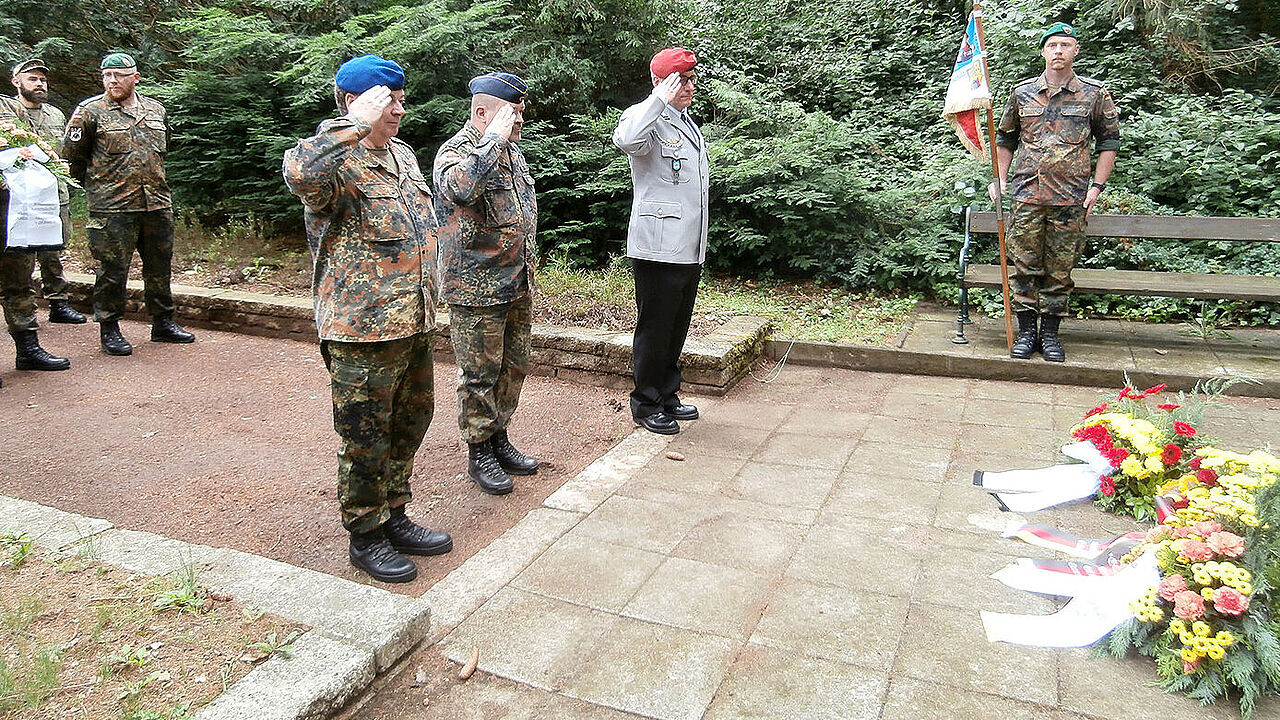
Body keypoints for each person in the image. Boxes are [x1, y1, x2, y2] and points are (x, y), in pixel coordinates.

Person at [283, 55, 452, 584]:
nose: (400, 109)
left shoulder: (401, 154)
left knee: (411, 419)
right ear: (354, 102)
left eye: (401, 99)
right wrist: (354, 124)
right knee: (364, 435)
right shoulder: (331, 160)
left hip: (414, 318)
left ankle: (394, 513)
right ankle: (365, 534)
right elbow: (298, 172)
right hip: (362, 328)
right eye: (389, 100)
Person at [433, 72, 540, 496]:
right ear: (482, 112)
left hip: (516, 283)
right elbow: (460, 189)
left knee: (514, 367)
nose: (518, 122)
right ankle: (479, 449)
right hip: (476, 288)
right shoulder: (456, 153)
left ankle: (499, 437)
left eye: (519, 114)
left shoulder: (513, 153)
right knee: (480, 373)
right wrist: (492, 141)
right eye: (511, 114)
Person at [988, 22, 1120, 363]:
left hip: (1070, 199)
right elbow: (1005, 139)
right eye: (1052, 45)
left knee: (1060, 272)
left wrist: (1097, 188)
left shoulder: (1094, 94)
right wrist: (999, 180)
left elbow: (1109, 143)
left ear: (1075, 51)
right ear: (1043, 51)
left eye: (1065, 45)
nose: (1058, 51)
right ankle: (1026, 332)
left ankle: (1050, 335)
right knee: (1025, 266)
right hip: (1027, 196)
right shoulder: (1022, 93)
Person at [61, 52, 195, 356]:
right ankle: (110, 328)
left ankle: (163, 322)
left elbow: (162, 151)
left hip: (156, 203)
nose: (112, 81)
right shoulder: (90, 112)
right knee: (112, 270)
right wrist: (98, 190)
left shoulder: (155, 110)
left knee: (159, 267)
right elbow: (72, 158)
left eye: (119, 75)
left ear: (135, 77)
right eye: (107, 76)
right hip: (112, 207)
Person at [613, 47, 709, 435]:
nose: (687, 87)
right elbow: (627, 137)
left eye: (690, 80)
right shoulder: (647, 119)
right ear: (659, 82)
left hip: (686, 245)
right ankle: (646, 402)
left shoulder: (687, 123)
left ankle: (667, 394)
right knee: (655, 328)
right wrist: (659, 98)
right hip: (657, 246)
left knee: (676, 326)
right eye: (679, 80)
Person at [1, 59, 87, 325]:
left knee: (53, 250)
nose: (39, 84)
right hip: (17, 196)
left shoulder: (56, 115)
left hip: (52, 194)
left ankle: (58, 302)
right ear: (17, 82)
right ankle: (21, 309)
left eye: (43, 80)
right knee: (20, 255)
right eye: (32, 79)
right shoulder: (6, 109)